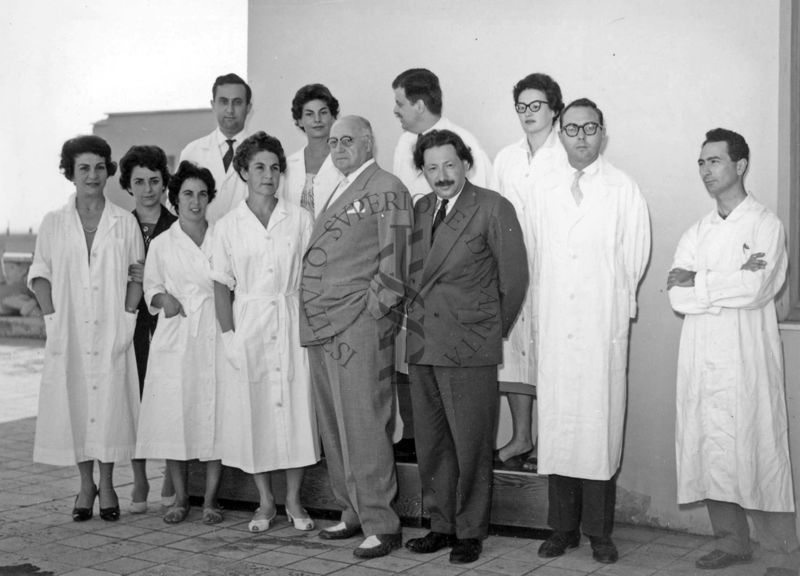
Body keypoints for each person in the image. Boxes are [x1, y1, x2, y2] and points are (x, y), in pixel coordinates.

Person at [668, 128, 798, 575]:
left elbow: (756, 287)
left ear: (740, 166)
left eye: (715, 161)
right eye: (701, 162)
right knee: (712, 449)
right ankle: (730, 542)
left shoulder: (765, 224)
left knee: (758, 446)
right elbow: (674, 295)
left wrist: (702, 282)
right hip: (702, 356)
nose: (706, 170)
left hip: (747, 356)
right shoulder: (695, 231)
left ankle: (781, 552)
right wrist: (727, 279)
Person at [533, 99, 651, 564]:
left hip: (601, 324)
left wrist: (613, 308)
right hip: (558, 323)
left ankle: (600, 532)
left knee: (598, 428)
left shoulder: (623, 188)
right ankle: (562, 529)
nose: (581, 137)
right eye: (572, 129)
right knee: (561, 426)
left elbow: (633, 258)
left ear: (603, 133)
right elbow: (536, 254)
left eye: (590, 128)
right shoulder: (544, 188)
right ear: (560, 134)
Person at [404, 130, 528, 564]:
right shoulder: (420, 209)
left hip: (468, 347)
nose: (442, 175)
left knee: (471, 444)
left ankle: (470, 532)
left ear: (466, 163)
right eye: (432, 167)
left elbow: (514, 282)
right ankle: (441, 525)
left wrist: (483, 333)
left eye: (450, 165)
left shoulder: (492, 207)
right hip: (423, 346)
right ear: (423, 171)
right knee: (433, 443)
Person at [300, 115, 412, 558]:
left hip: (359, 323)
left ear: (369, 142)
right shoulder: (338, 186)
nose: (339, 147)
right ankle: (352, 512)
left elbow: (397, 257)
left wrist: (374, 314)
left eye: (348, 140)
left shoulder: (389, 186)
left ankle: (382, 524)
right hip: (323, 323)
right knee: (335, 424)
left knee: (365, 422)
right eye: (333, 142)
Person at [29, 135, 144, 522]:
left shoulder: (124, 222)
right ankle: (85, 484)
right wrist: (52, 319)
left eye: (99, 167)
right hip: (71, 328)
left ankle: (108, 484)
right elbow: (40, 274)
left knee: (110, 404)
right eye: (84, 168)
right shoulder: (54, 223)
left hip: (112, 325)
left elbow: (136, 275)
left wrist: (128, 314)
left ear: (108, 170)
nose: (93, 175)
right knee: (75, 401)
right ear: (70, 173)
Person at [213, 132, 319, 533]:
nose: (268, 175)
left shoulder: (300, 219)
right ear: (243, 171)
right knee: (254, 409)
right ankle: (265, 501)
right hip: (250, 323)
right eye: (259, 167)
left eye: (275, 167)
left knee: (294, 410)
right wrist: (229, 337)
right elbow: (221, 285)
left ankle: (294, 500)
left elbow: (312, 278)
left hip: (291, 320)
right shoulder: (227, 226)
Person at [134, 161, 224, 525]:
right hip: (177, 334)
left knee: (215, 413)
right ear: (176, 198)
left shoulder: (223, 235)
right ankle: (181, 498)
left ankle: (211, 501)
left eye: (203, 194)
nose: (196, 201)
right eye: (188, 193)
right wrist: (162, 300)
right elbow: (150, 286)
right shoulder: (162, 243)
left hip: (215, 332)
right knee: (177, 415)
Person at [492, 72, 567, 471]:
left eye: (536, 105)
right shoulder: (506, 157)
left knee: (551, 356)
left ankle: (549, 444)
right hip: (515, 266)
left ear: (554, 109)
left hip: (556, 269)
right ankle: (522, 437)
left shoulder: (567, 154)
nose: (528, 114)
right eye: (521, 107)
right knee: (516, 354)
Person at [118, 145, 177, 514]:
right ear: (128, 185)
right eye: (139, 181)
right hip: (133, 322)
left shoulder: (178, 225)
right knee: (135, 396)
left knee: (170, 397)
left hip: (170, 321)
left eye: (154, 180)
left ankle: (173, 473)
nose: (148, 189)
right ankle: (139, 477)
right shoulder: (120, 226)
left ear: (164, 184)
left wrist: (155, 276)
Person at [392, 68, 493, 199]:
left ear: (419, 106)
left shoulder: (466, 142)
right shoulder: (405, 141)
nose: (395, 110)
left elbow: (481, 202)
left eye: (399, 104)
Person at [180, 73, 253, 223]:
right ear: (213, 106)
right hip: (202, 242)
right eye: (224, 102)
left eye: (237, 102)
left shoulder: (261, 152)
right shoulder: (192, 151)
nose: (230, 110)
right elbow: (174, 203)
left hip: (246, 242)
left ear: (248, 108)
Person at [282, 84, 342, 219]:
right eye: (309, 114)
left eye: (323, 112)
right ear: (299, 121)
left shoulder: (345, 160)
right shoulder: (288, 165)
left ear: (333, 117)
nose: (317, 120)